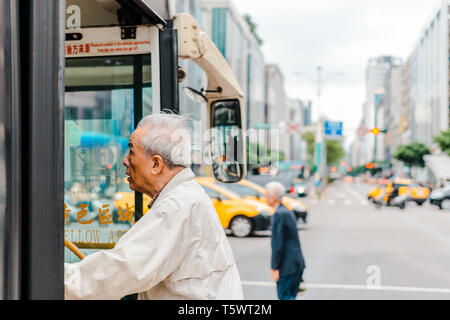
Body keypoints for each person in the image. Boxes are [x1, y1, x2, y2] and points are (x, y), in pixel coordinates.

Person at [64, 113, 244, 300]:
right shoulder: (187, 197)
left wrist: (51, 280)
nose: (125, 161)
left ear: (156, 164)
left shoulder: (177, 205)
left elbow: (124, 268)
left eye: (131, 151)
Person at [265, 182, 306, 300]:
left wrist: (274, 267)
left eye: (266, 195)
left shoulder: (278, 214)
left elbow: (277, 244)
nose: (265, 197)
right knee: (291, 296)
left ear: (272, 197)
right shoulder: (287, 211)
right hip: (297, 263)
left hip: (287, 266)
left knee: (285, 296)